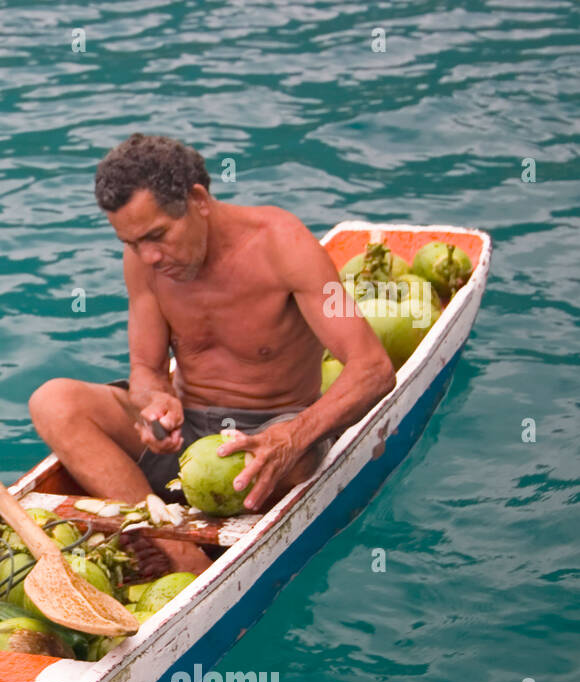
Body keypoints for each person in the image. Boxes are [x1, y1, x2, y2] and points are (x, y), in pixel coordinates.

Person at [29, 135, 396, 575]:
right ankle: (175, 549)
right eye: (131, 243)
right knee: (53, 401)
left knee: (299, 460)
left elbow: (372, 369)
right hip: (185, 436)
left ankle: (161, 546)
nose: (148, 255)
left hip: (270, 433)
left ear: (198, 199)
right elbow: (146, 370)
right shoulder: (145, 261)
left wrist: (293, 436)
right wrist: (153, 405)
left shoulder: (283, 245)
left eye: (157, 235)